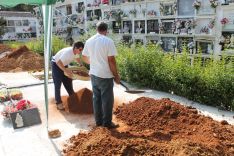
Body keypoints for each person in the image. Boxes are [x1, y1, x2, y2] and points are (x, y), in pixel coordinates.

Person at [82, 21, 120, 129]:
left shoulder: (89, 41)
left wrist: (94, 62)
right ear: (106, 31)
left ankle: (98, 122)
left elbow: (84, 57)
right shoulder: (108, 41)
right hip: (105, 76)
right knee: (107, 100)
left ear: (97, 29)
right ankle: (107, 123)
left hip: (94, 75)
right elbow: (111, 61)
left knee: (96, 98)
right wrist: (116, 76)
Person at [51, 41, 84, 110]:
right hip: (56, 64)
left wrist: (81, 65)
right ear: (75, 48)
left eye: (82, 50)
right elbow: (58, 62)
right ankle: (58, 103)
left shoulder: (76, 52)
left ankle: (72, 97)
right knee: (57, 84)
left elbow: (77, 58)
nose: (81, 52)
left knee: (68, 81)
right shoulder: (68, 53)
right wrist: (66, 71)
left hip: (64, 64)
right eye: (80, 50)